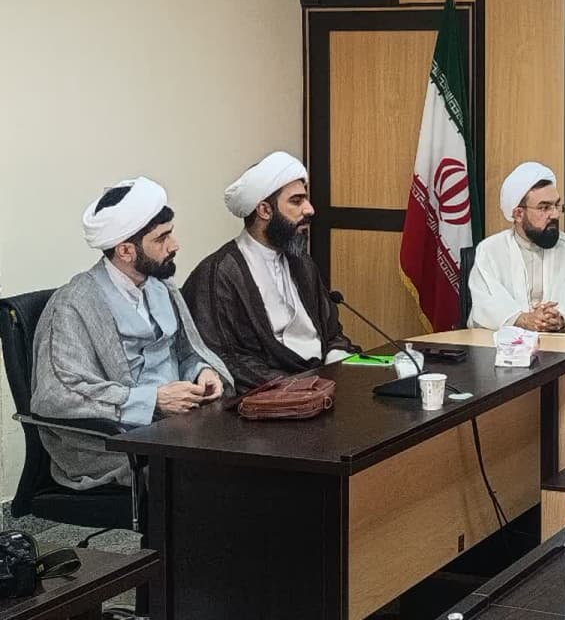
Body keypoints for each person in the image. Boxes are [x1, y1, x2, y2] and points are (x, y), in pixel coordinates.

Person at [31, 178, 231, 489]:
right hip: (115, 443)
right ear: (125, 250)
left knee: (257, 450)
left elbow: (187, 350)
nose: (175, 245)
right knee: (215, 477)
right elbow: (58, 395)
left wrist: (202, 371)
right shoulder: (73, 304)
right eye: (162, 238)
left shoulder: (161, 287)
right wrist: (152, 400)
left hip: (180, 424)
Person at [184, 151, 358, 391]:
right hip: (270, 396)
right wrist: (297, 387)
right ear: (264, 210)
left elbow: (331, 333)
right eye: (296, 201)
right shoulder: (218, 274)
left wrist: (339, 364)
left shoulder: (302, 263)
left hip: (322, 383)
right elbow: (227, 359)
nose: (309, 209)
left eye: (306, 199)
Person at [468, 162, 565, 331]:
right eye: (544, 207)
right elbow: (485, 305)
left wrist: (560, 319)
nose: (555, 214)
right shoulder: (490, 251)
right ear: (518, 214)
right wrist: (522, 319)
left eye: (557, 205)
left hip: (559, 342)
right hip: (502, 343)